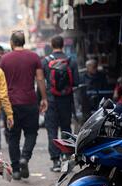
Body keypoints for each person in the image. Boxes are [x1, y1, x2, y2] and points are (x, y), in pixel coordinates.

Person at [0, 30, 48, 180]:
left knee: (13, 136)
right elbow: (40, 79)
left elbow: (1, 83)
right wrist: (44, 98)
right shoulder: (34, 57)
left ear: (12, 42)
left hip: (11, 104)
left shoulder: (5, 59)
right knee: (31, 133)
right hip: (30, 101)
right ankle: (25, 158)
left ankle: (15, 170)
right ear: (24, 42)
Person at [42, 35, 79, 172]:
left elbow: (42, 81)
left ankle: (55, 161)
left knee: (52, 130)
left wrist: (42, 99)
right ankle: (67, 158)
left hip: (51, 100)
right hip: (66, 100)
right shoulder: (71, 61)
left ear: (52, 45)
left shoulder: (45, 62)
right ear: (63, 45)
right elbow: (76, 82)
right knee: (66, 129)